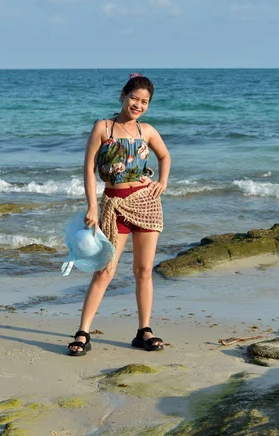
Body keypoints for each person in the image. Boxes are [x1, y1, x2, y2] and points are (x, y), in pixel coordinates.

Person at [68, 73, 171, 356]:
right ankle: (83, 332)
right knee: (104, 270)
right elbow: (89, 169)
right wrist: (92, 205)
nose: (138, 105)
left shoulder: (146, 131)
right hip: (112, 204)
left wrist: (162, 182)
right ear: (123, 96)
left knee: (144, 270)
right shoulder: (103, 128)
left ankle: (144, 331)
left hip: (146, 203)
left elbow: (164, 155)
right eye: (134, 98)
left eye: (144, 102)